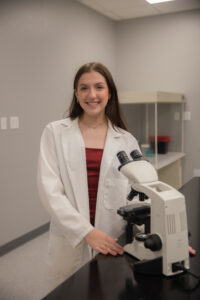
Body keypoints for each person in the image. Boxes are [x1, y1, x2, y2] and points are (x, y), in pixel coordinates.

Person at [37, 62, 195, 281]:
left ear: (109, 92)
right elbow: (50, 191)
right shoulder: (55, 132)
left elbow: (141, 193)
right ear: (76, 93)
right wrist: (86, 232)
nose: (92, 94)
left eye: (99, 87)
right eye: (84, 88)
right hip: (70, 234)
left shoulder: (126, 140)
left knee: (107, 289)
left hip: (113, 235)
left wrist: (168, 237)